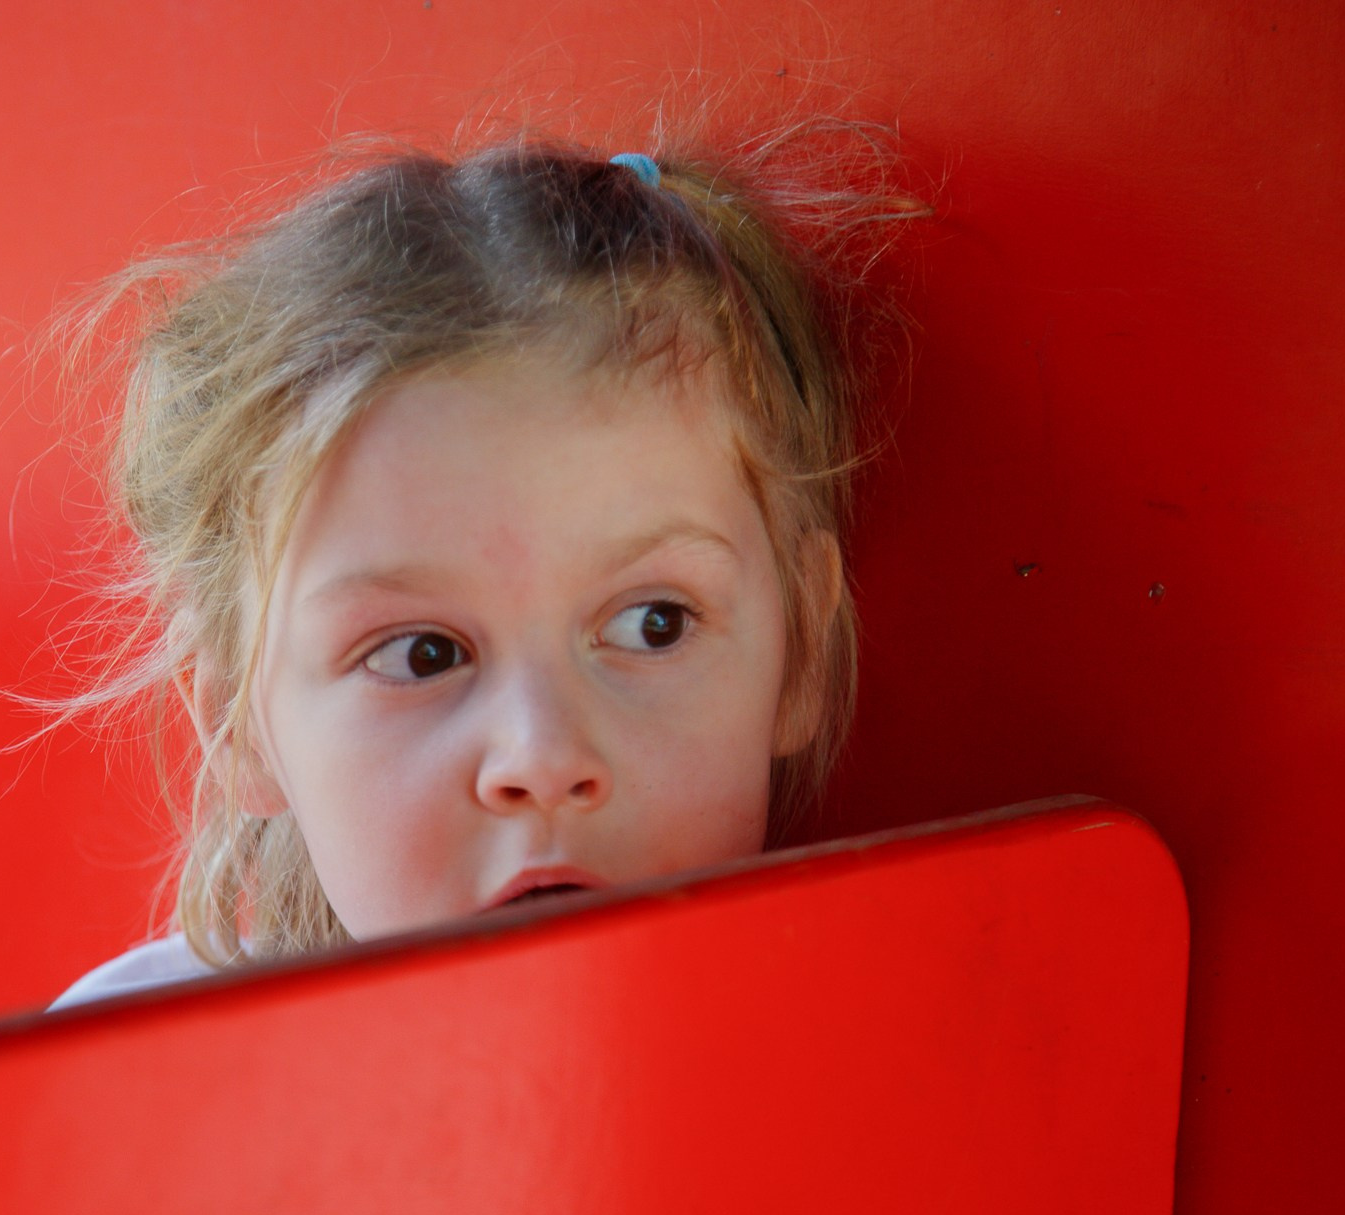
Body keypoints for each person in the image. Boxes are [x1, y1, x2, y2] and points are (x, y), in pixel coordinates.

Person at [46, 125, 917, 1009]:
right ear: (239, 717)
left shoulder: (894, 1049)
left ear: (802, 645)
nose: (541, 758)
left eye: (654, 623)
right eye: (423, 653)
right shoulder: (134, 1084)